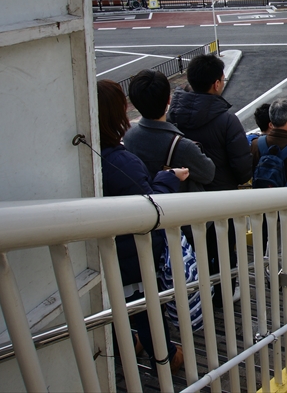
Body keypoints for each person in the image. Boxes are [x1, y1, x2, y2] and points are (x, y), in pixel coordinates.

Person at [97, 79, 188, 373]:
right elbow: (150, 209)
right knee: (145, 305)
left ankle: (127, 343)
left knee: (118, 305)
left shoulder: (88, 158)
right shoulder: (121, 162)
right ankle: (165, 356)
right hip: (132, 254)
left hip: (103, 253)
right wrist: (170, 179)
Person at [167, 54, 253, 305]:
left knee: (192, 247)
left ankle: (196, 292)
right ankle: (224, 294)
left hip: (183, 197)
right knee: (223, 249)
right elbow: (243, 168)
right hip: (219, 199)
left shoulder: (173, 114)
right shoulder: (226, 120)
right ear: (216, 83)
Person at [123, 70, 215, 192]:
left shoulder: (128, 134)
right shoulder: (182, 146)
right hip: (179, 206)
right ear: (168, 100)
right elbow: (209, 174)